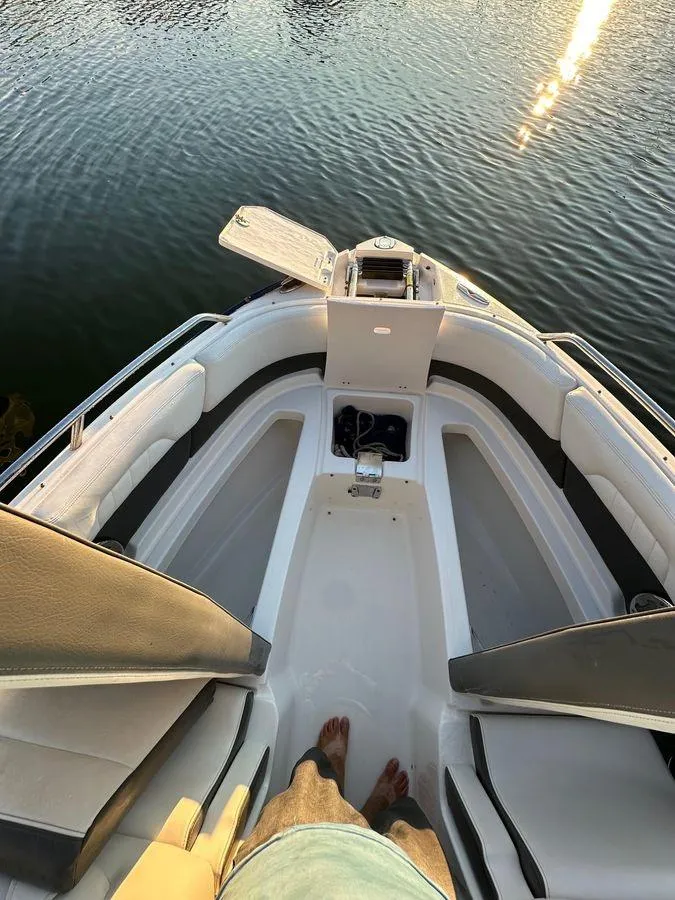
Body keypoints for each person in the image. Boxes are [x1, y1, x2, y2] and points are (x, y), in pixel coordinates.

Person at [220, 716, 456, 898]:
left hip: (284, 873)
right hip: (405, 886)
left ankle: (337, 785)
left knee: (310, 789)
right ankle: (364, 814)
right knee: (406, 822)